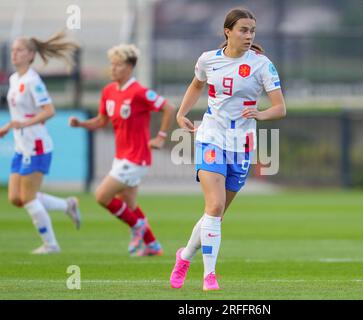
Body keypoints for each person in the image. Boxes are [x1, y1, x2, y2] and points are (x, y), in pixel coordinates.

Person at [169, 8, 287, 291]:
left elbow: (280, 108)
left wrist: (262, 114)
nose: (249, 36)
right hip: (210, 137)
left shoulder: (262, 65)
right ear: (228, 31)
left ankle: (184, 256)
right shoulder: (208, 60)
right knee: (215, 205)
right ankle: (209, 276)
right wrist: (181, 112)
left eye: (252, 31)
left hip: (243, 146)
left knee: (216, 215)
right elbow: (196, 85)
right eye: (243, 30)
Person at [69, 44, 175, 256]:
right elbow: (101, 121)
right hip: (121, 157)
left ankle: (137, 227)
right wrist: (81, 124)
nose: (113, 69)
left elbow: (168, 108)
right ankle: (153, 246)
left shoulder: (139, 92)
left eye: (118, 65)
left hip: (137, 158)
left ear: (129, 67)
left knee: (101, 196)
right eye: (112, 64)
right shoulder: (108, 91)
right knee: (130, 204)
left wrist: (161, 137)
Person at [0, 32, 82, 254]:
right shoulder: (14, 79)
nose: (14, 53)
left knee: (28, 198)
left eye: (19, 50)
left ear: (31, 55)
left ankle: (51, 245)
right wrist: (9, 126)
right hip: (21, 146)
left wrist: (23, 125)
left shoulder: (33, 81)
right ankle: (68, 205)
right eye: (13, 50)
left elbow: (49, 111)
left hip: (36, 145)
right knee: (16, 198)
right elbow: (21, 114)